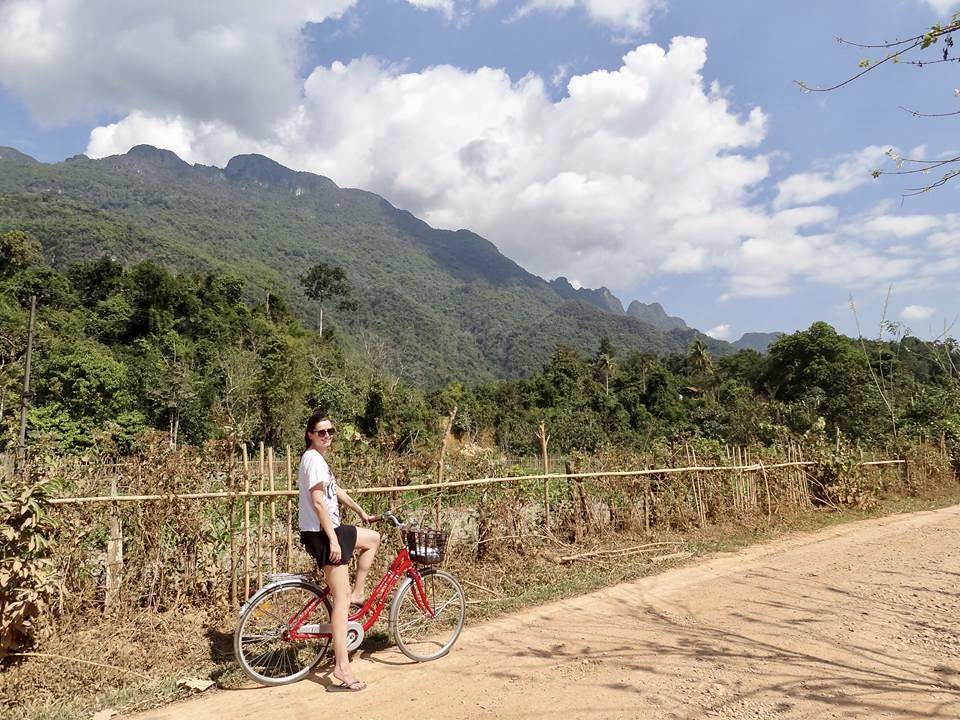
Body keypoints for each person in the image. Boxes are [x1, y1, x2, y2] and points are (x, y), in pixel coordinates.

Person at [298, 413, 380, 692]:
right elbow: (319, 502)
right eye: (321, 432)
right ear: (310, 434)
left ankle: (359, 592)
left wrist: (361, 512)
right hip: (322, 534)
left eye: (331, 431)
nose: (327, 436)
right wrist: (333, 541)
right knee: (340, 599)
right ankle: (341, 667)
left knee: (373, 539)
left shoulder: (319, 460)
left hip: (330, 528)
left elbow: (336, 491)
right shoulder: (312, 459)